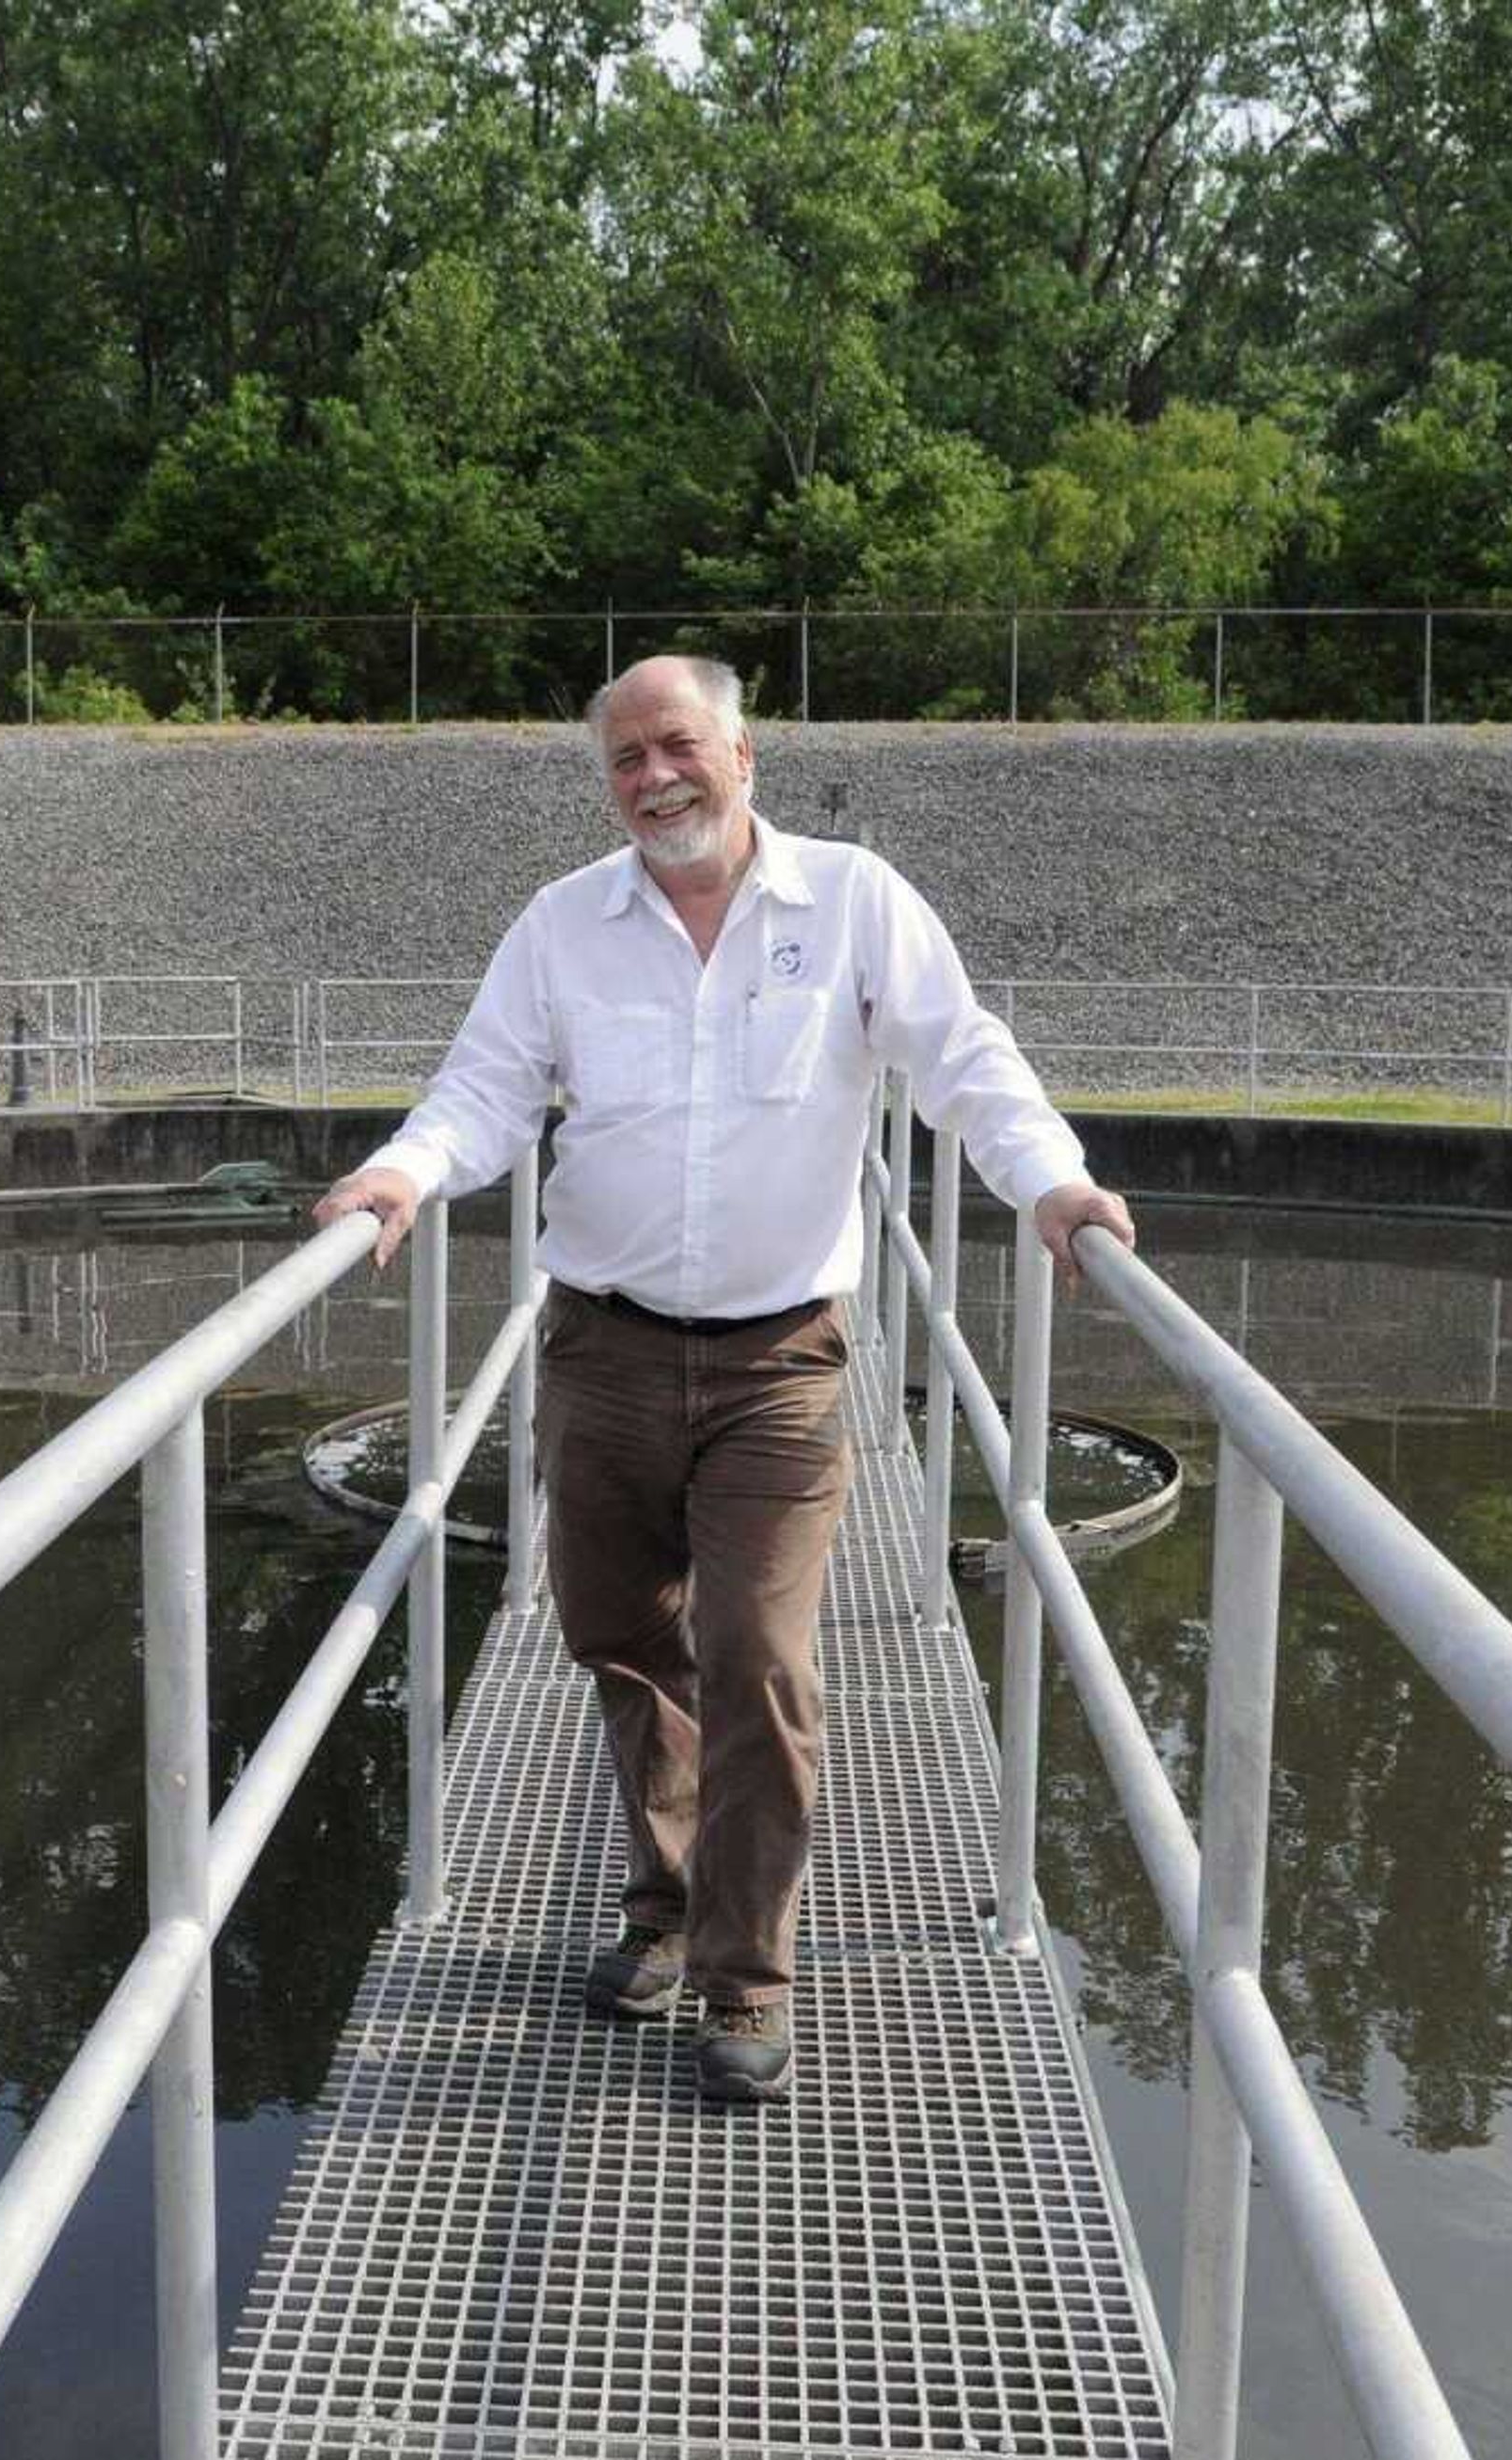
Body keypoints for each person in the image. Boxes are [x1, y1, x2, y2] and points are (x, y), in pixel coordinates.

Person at [311, 655, 1132, 2105]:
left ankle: (747, 1967)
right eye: (624, 759)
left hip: (781, 1360)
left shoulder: (856, 900)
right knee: (622, 1638)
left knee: (755, 1651)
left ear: (745, 752)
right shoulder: (564, 926)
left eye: (674, 745)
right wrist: (401, 1174)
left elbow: (962, 1060)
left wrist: (1055, 1183)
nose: (651, 778)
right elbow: (487, 1086)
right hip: (602, 1343)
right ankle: (667, 1899)